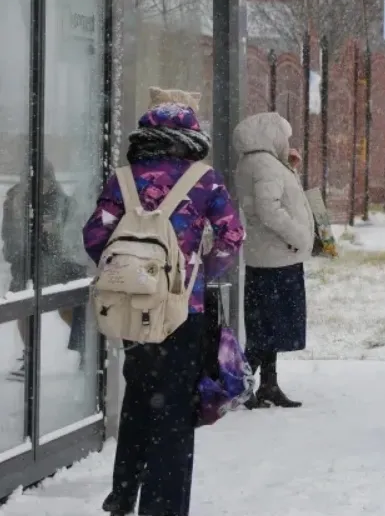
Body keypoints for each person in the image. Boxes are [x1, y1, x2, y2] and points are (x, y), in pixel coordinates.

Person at [83, 100, 245, 516]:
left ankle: (123, 492)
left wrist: (131, 275)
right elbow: (231, 236)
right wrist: (199, 272)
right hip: (182, 313)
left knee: (139, 395)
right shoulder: (204, 180)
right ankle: (163, 507)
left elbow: (95, 235)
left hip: (133, 311)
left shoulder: (123, 179)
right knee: (174, 410)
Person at [232, 112, 315, 409]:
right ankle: (239, 385)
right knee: (268, 328)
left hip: (269, 256)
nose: (286, 141)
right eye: (284, 136)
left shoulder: (259, 163)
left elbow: (273, 198)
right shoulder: (264, 165)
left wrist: (289, 168)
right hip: (277, 258)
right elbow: (269, 211)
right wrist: (300, 237)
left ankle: (267, 384)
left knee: (266, 326)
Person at [2, 156, 87, 380]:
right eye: (31, 180)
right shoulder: (14, 198)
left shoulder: (62, 201)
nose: (37, 185)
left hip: (56, 262)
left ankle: (85, 348)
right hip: (24, 260)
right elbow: (8, 231)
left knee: (67, 308)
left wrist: (53, 232)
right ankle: (29, 356)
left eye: (42, 180)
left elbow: (71, 239)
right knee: (23, 307)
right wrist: (13, 251)